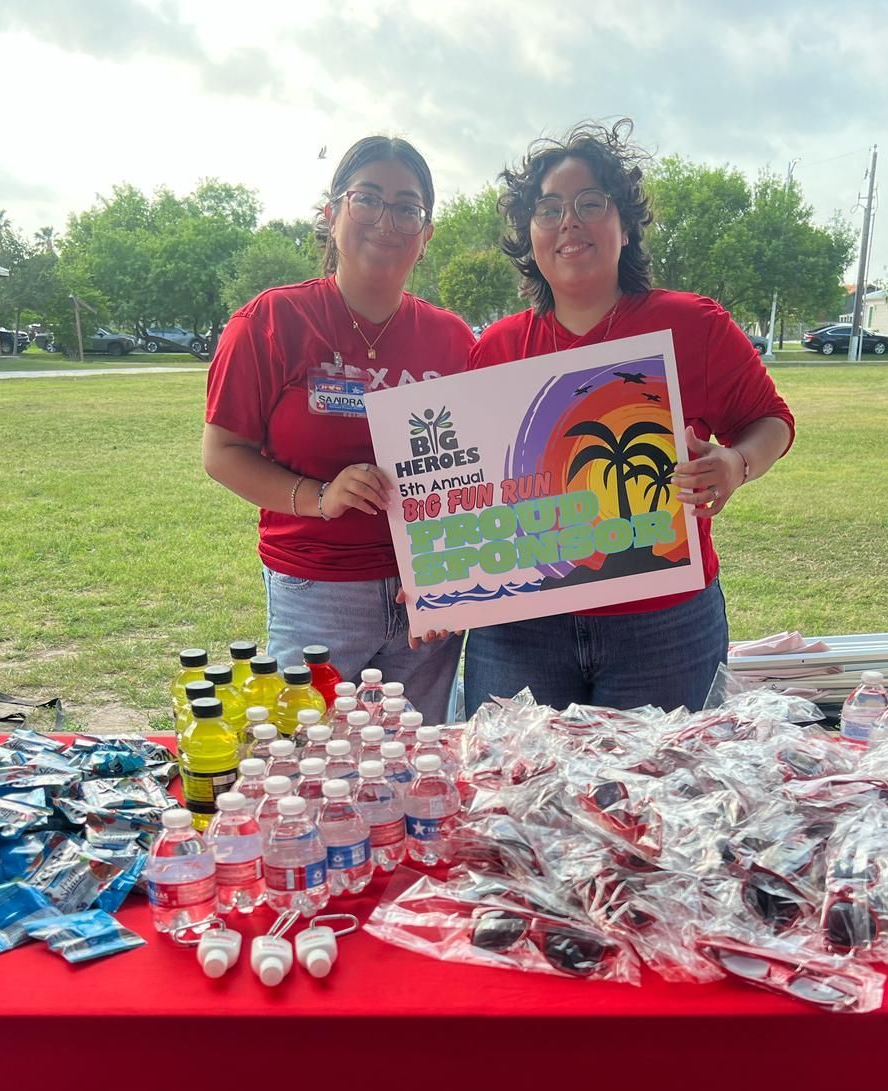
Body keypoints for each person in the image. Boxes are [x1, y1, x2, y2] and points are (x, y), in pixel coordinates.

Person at [463, 121, 795, 716]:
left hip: (663, 627)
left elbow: (771, 420)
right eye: (548, 209)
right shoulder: (496, 349)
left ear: (625, 223)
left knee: (658, 795)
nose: (569, 221)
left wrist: (735, 463)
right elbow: (472, 490)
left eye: (590, 202)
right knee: (520, 796)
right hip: (521, 629)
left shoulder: (694, 324)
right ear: (529, 234)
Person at [203, 136, 475, 724]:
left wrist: (457, 577)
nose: (388, 220)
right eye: (368, 199)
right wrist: (321, 496)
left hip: (425, 591)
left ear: (426, 235)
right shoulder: (271, 321)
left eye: (408, 208)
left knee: (411, 765)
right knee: (309, 765)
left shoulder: (455, 340)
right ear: (331, 216)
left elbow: (480, 465)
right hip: (317, 591)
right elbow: (223, 453)